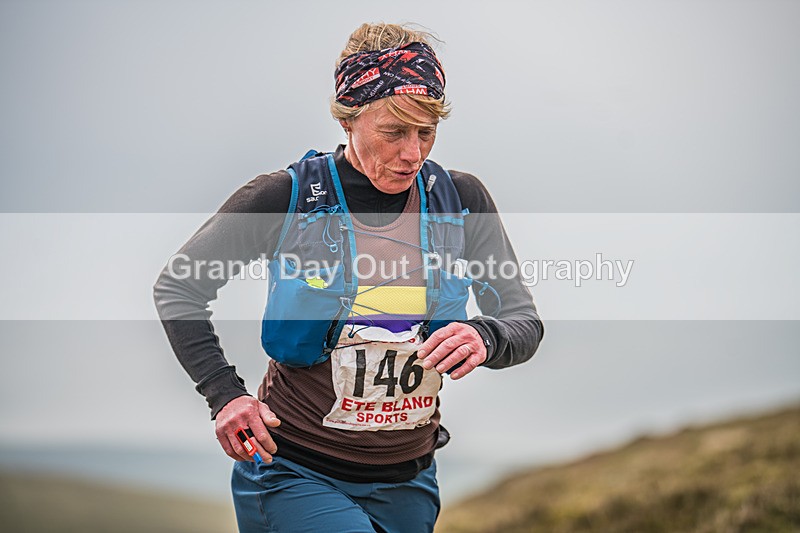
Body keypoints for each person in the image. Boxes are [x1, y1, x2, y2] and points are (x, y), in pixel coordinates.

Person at [153, 22, 544, 533]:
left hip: (410, 480)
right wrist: (224, 394)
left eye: (426, 132)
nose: (413, 153)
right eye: (394, 132)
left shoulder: (461, 200)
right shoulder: (283, 198)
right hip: (294, 470)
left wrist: (485, 335)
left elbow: (523, 321)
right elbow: (179, 286)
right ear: (348, 119)